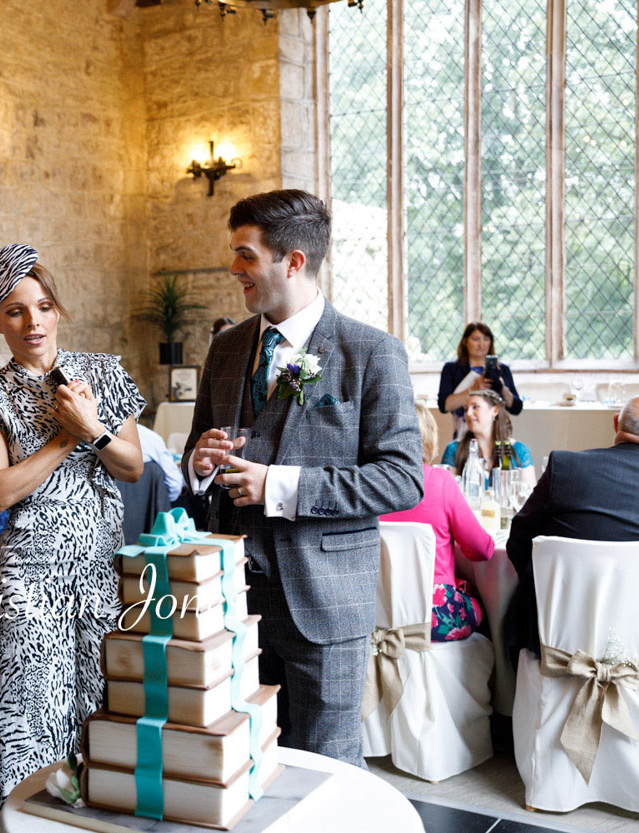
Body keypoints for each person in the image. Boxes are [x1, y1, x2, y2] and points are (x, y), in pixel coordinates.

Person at [183, 189, 422, 765]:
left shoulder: (371, 352)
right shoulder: (226, 348)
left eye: (246, 255)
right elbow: (195, 447)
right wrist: (199, 465)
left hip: (324, 600)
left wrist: (280, 486)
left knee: (327, 762)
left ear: (292, 261)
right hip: (232, 599)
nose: (234, 268)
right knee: (245, 758)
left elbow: (401, 478)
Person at [0, 243, 145, 832]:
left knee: (102, 712)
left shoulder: (103, 373)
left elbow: (132, 465)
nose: (33, 321)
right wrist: (66, 439)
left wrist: (92, 427)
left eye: (43, 306)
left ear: (59, 311)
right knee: (29, 720)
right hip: (30, 577)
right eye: (15, 311)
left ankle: (94, 825)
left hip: (100, 569)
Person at [505, 394, 639, 660]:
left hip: (550, 638)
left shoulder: (565, 467)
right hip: (638, 645)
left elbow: (518, 541)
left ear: (616, 423)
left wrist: (548, 590)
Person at [382, 404, 495, 641]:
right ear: (428, 438)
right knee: (485, 607)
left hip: (378, 610)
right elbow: (482, 550)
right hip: (433, 614)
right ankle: (489, 676)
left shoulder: (369, 481)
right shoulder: (440, 481)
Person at [437, 322, 522, 438]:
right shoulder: (452, 369)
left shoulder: (502, 370)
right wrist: (473, 388)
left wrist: (502, 388)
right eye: (476, 339)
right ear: (465, 341)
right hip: (463, 433)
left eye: (486, 339)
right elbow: (444, 406)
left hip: (497, 433)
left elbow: (516, 408)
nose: (481, 344)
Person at [440, 389, 536, 486]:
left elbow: (529, 494)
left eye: (475, 407)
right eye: (465, 409)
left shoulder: (518, 450)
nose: (468, 413)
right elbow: (447, 492)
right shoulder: (454, 449)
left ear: (495, 411)